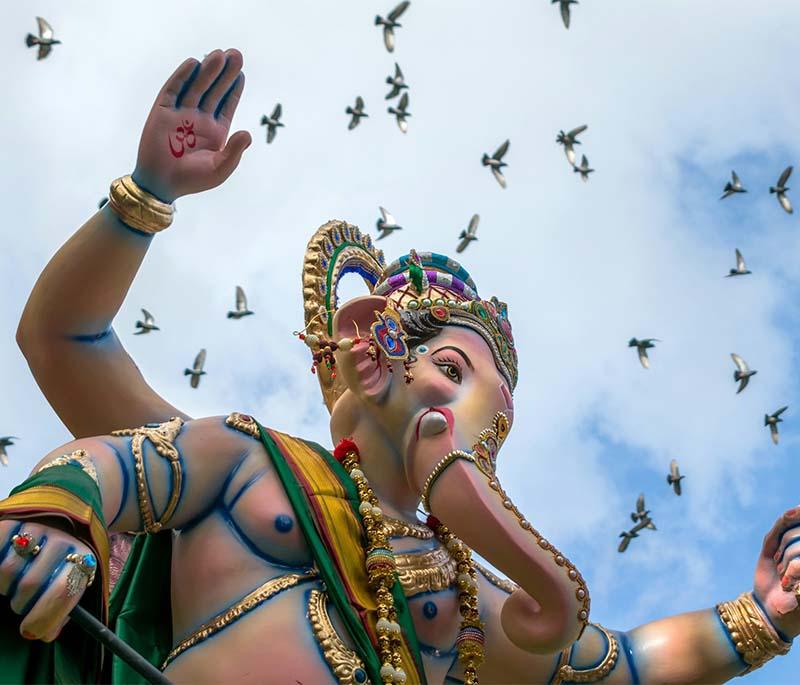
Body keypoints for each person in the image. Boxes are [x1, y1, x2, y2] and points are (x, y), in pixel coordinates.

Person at [4, 49, 799, 684]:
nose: (467, 420)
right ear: (372, 347)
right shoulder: (245, 462)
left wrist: (764, 615)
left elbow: (624, 662)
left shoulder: (459, 593)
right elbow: (74, 373)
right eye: (452, 369)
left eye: (494, 416)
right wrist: (144, 198)